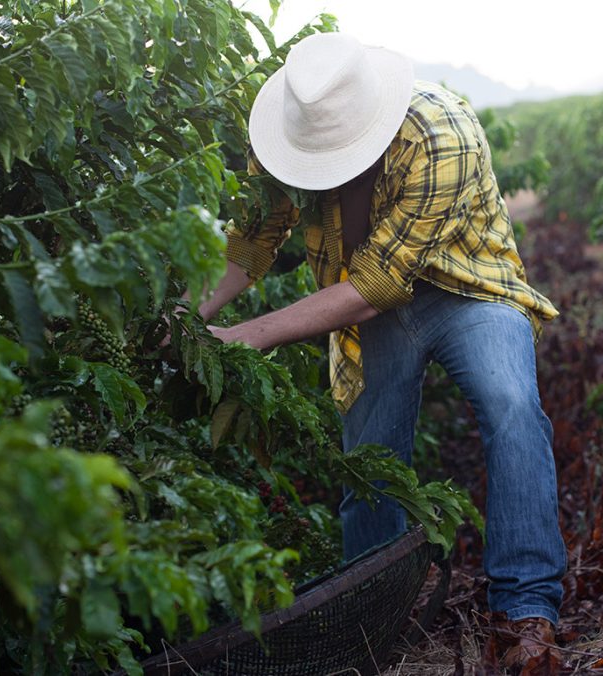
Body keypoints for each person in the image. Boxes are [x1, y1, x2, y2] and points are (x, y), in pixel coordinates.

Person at [182, 32, 566, 671]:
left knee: (511, 406)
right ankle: (375, 614)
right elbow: (253, 240)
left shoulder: (441, 136)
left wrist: (245, 335)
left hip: (466, 287)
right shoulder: (285, 130)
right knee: (370, 457)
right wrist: (186, 317)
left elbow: (374, 287)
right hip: (365, 301)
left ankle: (526, 607)